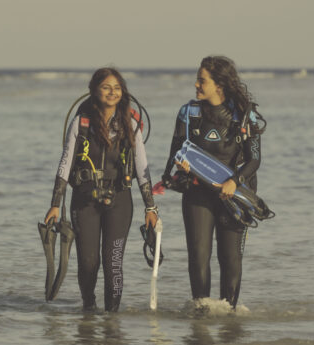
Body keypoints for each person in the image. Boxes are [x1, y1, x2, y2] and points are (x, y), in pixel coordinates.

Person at [44, 67, 158, 312]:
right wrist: (55, 204)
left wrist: (150, 207)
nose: (112, 92)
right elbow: (65, 164)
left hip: (120, 200)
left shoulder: (131, 123)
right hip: (84, 201)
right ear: (94, 91)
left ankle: (112, 318)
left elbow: (142, 167)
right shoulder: (81, 122)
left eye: (117, 88)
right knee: (88, 263)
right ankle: (89, 310)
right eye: (106, 87)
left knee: (113, 263)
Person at [161, 56, 267, 308]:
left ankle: (229, 316)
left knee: (230, 259)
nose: (196, 84)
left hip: (234, 196)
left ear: (219, 84)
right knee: (198, 257)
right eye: (197, 79)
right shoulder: (188, 113)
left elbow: (255, 159)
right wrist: (177, 170)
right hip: (197, 194)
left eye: (202, 80)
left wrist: (235, 181)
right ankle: (202, 314)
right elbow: (175, 151)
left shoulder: (244, 115)